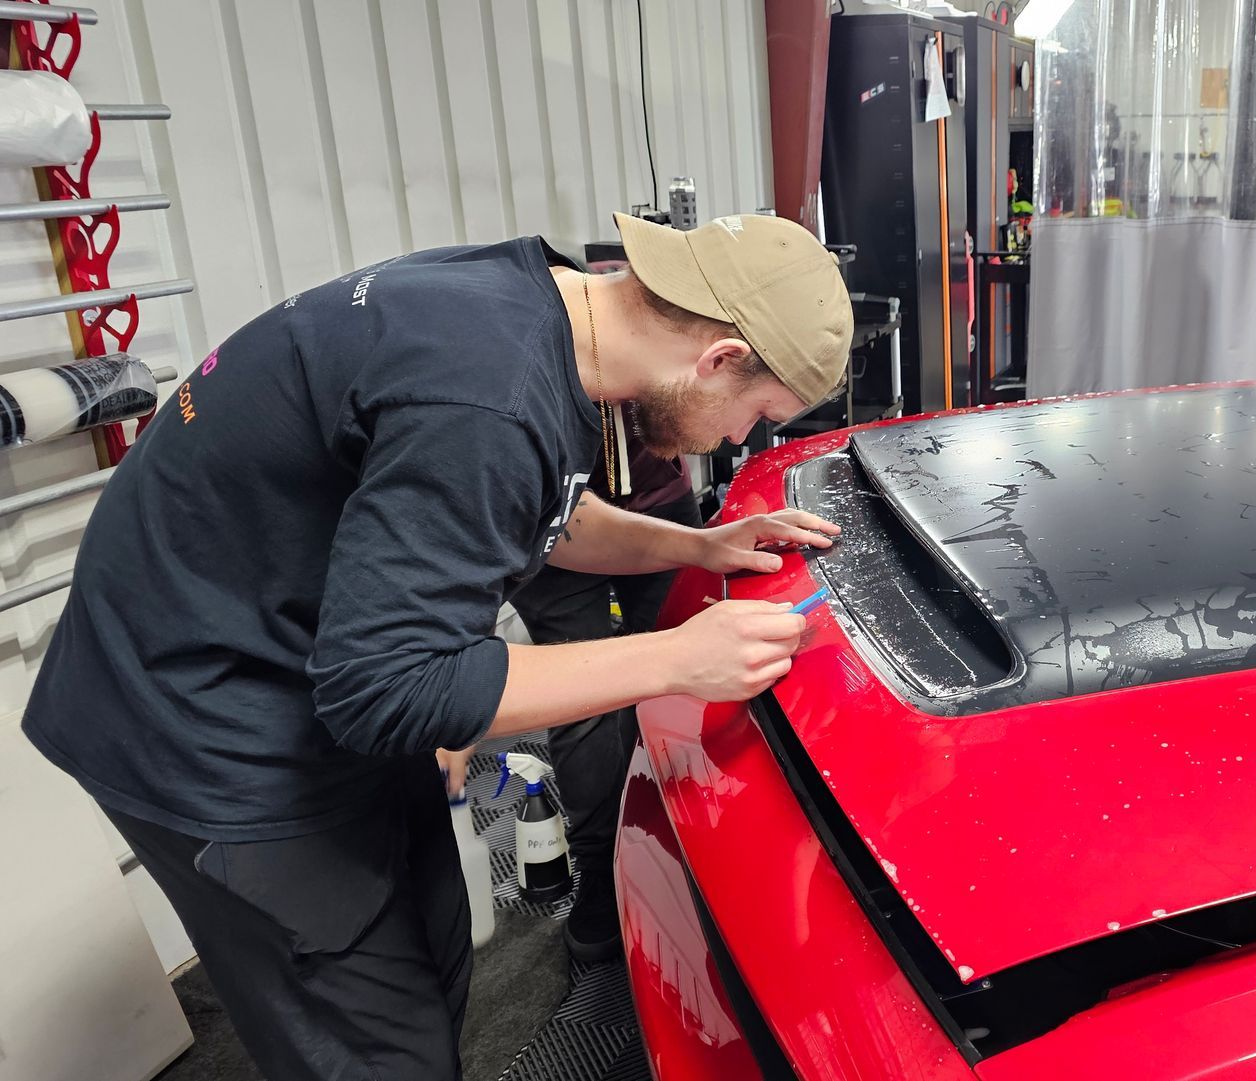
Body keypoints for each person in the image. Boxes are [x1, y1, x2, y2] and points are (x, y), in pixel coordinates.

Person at [23, 211, 852, 1080]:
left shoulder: (544, 305)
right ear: (717, 358)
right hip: (199, 717)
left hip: (307, 653)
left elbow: (544, 512)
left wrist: (697, 545)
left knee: (437, 946)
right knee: (374, 1042)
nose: (735, 441)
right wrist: (679, 657)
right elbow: (389, 686)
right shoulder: (490, 393)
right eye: (755, 414)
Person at [447, 423, 701, 963]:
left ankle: (678, 848)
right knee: (584, 697)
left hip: (655, 492)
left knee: (679, 679)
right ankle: (603, 866)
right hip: (552, 516)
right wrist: (454, 671)